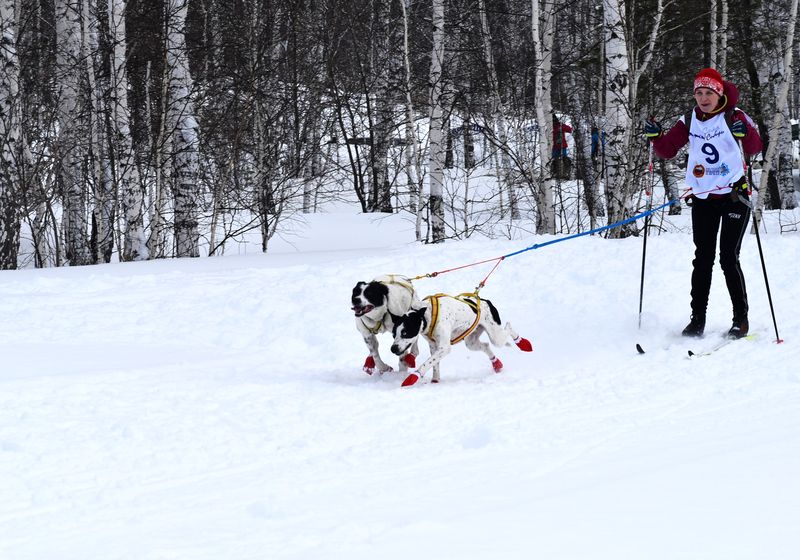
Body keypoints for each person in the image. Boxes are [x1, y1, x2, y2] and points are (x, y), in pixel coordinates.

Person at [644, 67, 763, 339]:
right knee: (702, 259)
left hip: (735, 195)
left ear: (718, 93)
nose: (703, 98)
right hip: (703, 198)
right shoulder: (688, 120)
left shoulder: (735, 116)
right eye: (699, 92)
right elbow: (667, 149)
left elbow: (756, 147)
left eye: (709, 92)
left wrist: (744, 132)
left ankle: (740, 320)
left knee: (728, 259)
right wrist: (655, 137)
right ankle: (697, 319)